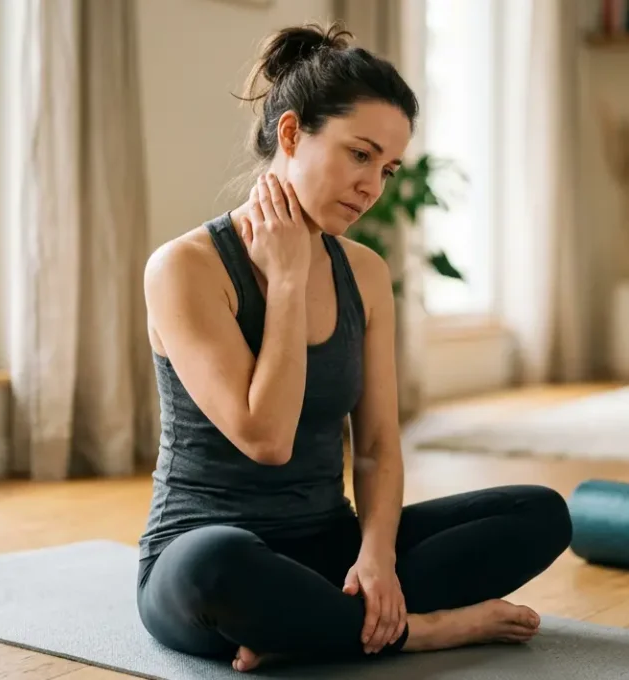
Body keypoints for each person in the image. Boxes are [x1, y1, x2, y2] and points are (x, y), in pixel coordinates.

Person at [134, 21, 573, 673]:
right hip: (204, 555)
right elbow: (265, 438)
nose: (373, 185)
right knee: (215, 568)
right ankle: (422, 632)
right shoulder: (184, 269)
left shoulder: (363, 274)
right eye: (359, 154)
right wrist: (284, 280)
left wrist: (377, 556)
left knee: (540, 515)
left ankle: (312, 626)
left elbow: (374, 448)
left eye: (388, 167)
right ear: (291, 134)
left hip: (328, 550)